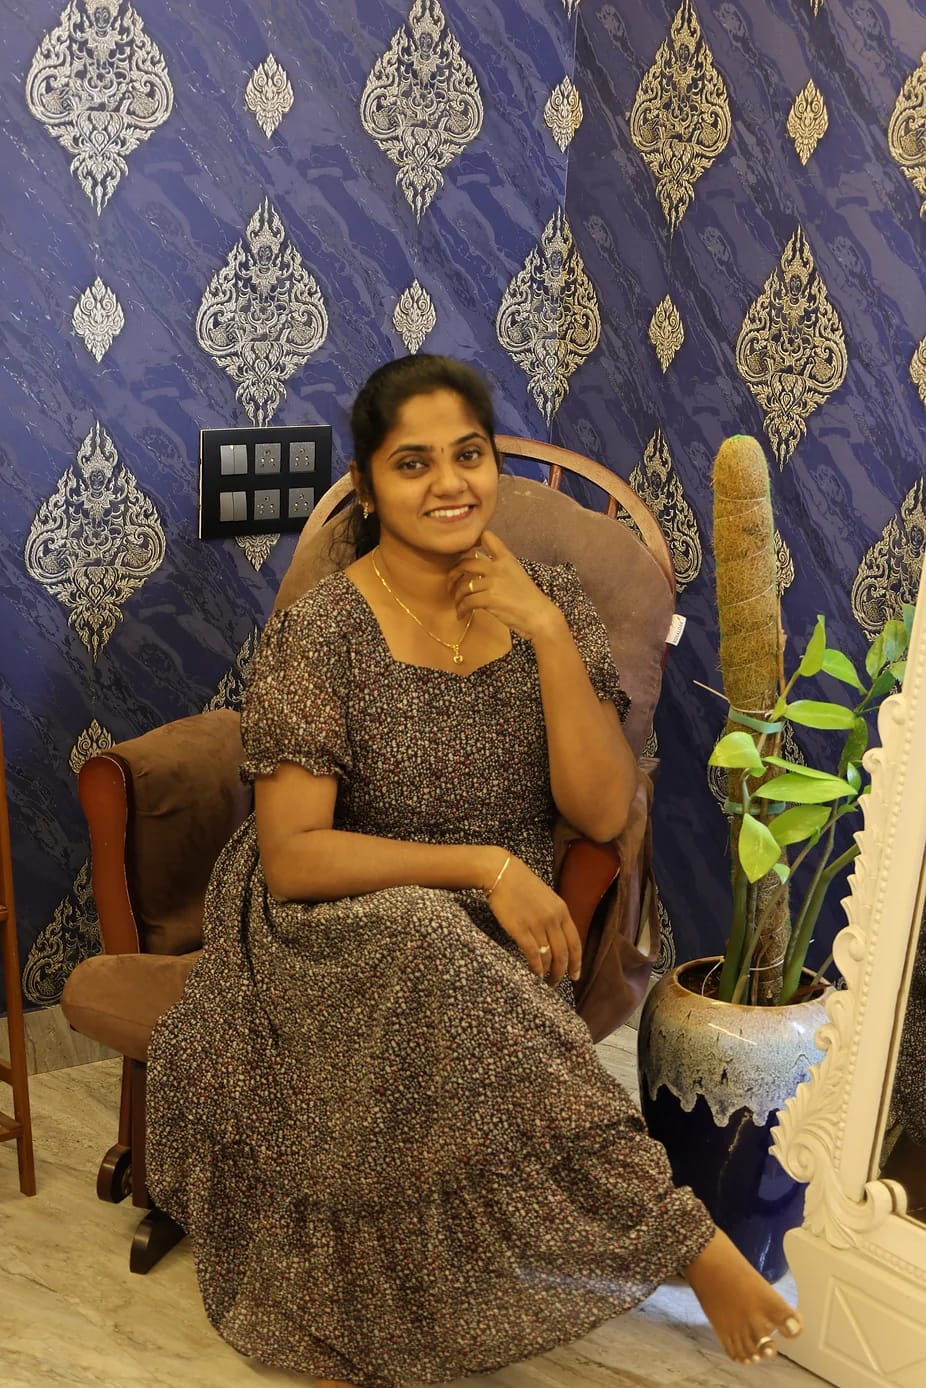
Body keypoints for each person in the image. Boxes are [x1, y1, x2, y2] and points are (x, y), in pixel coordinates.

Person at [147, 355, 802, 1387]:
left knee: (446, 946)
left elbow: (601, 812)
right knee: (423, 933)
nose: (449, 482)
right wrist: (489, 864)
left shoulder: (551, 601)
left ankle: (652, 1238)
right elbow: (294, 856)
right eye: (413, 463)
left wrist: (544, 632)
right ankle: (690, 1242)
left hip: (488, 921)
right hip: (329, 919)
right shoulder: (321, 632)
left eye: (468, 454)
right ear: (367, 487)